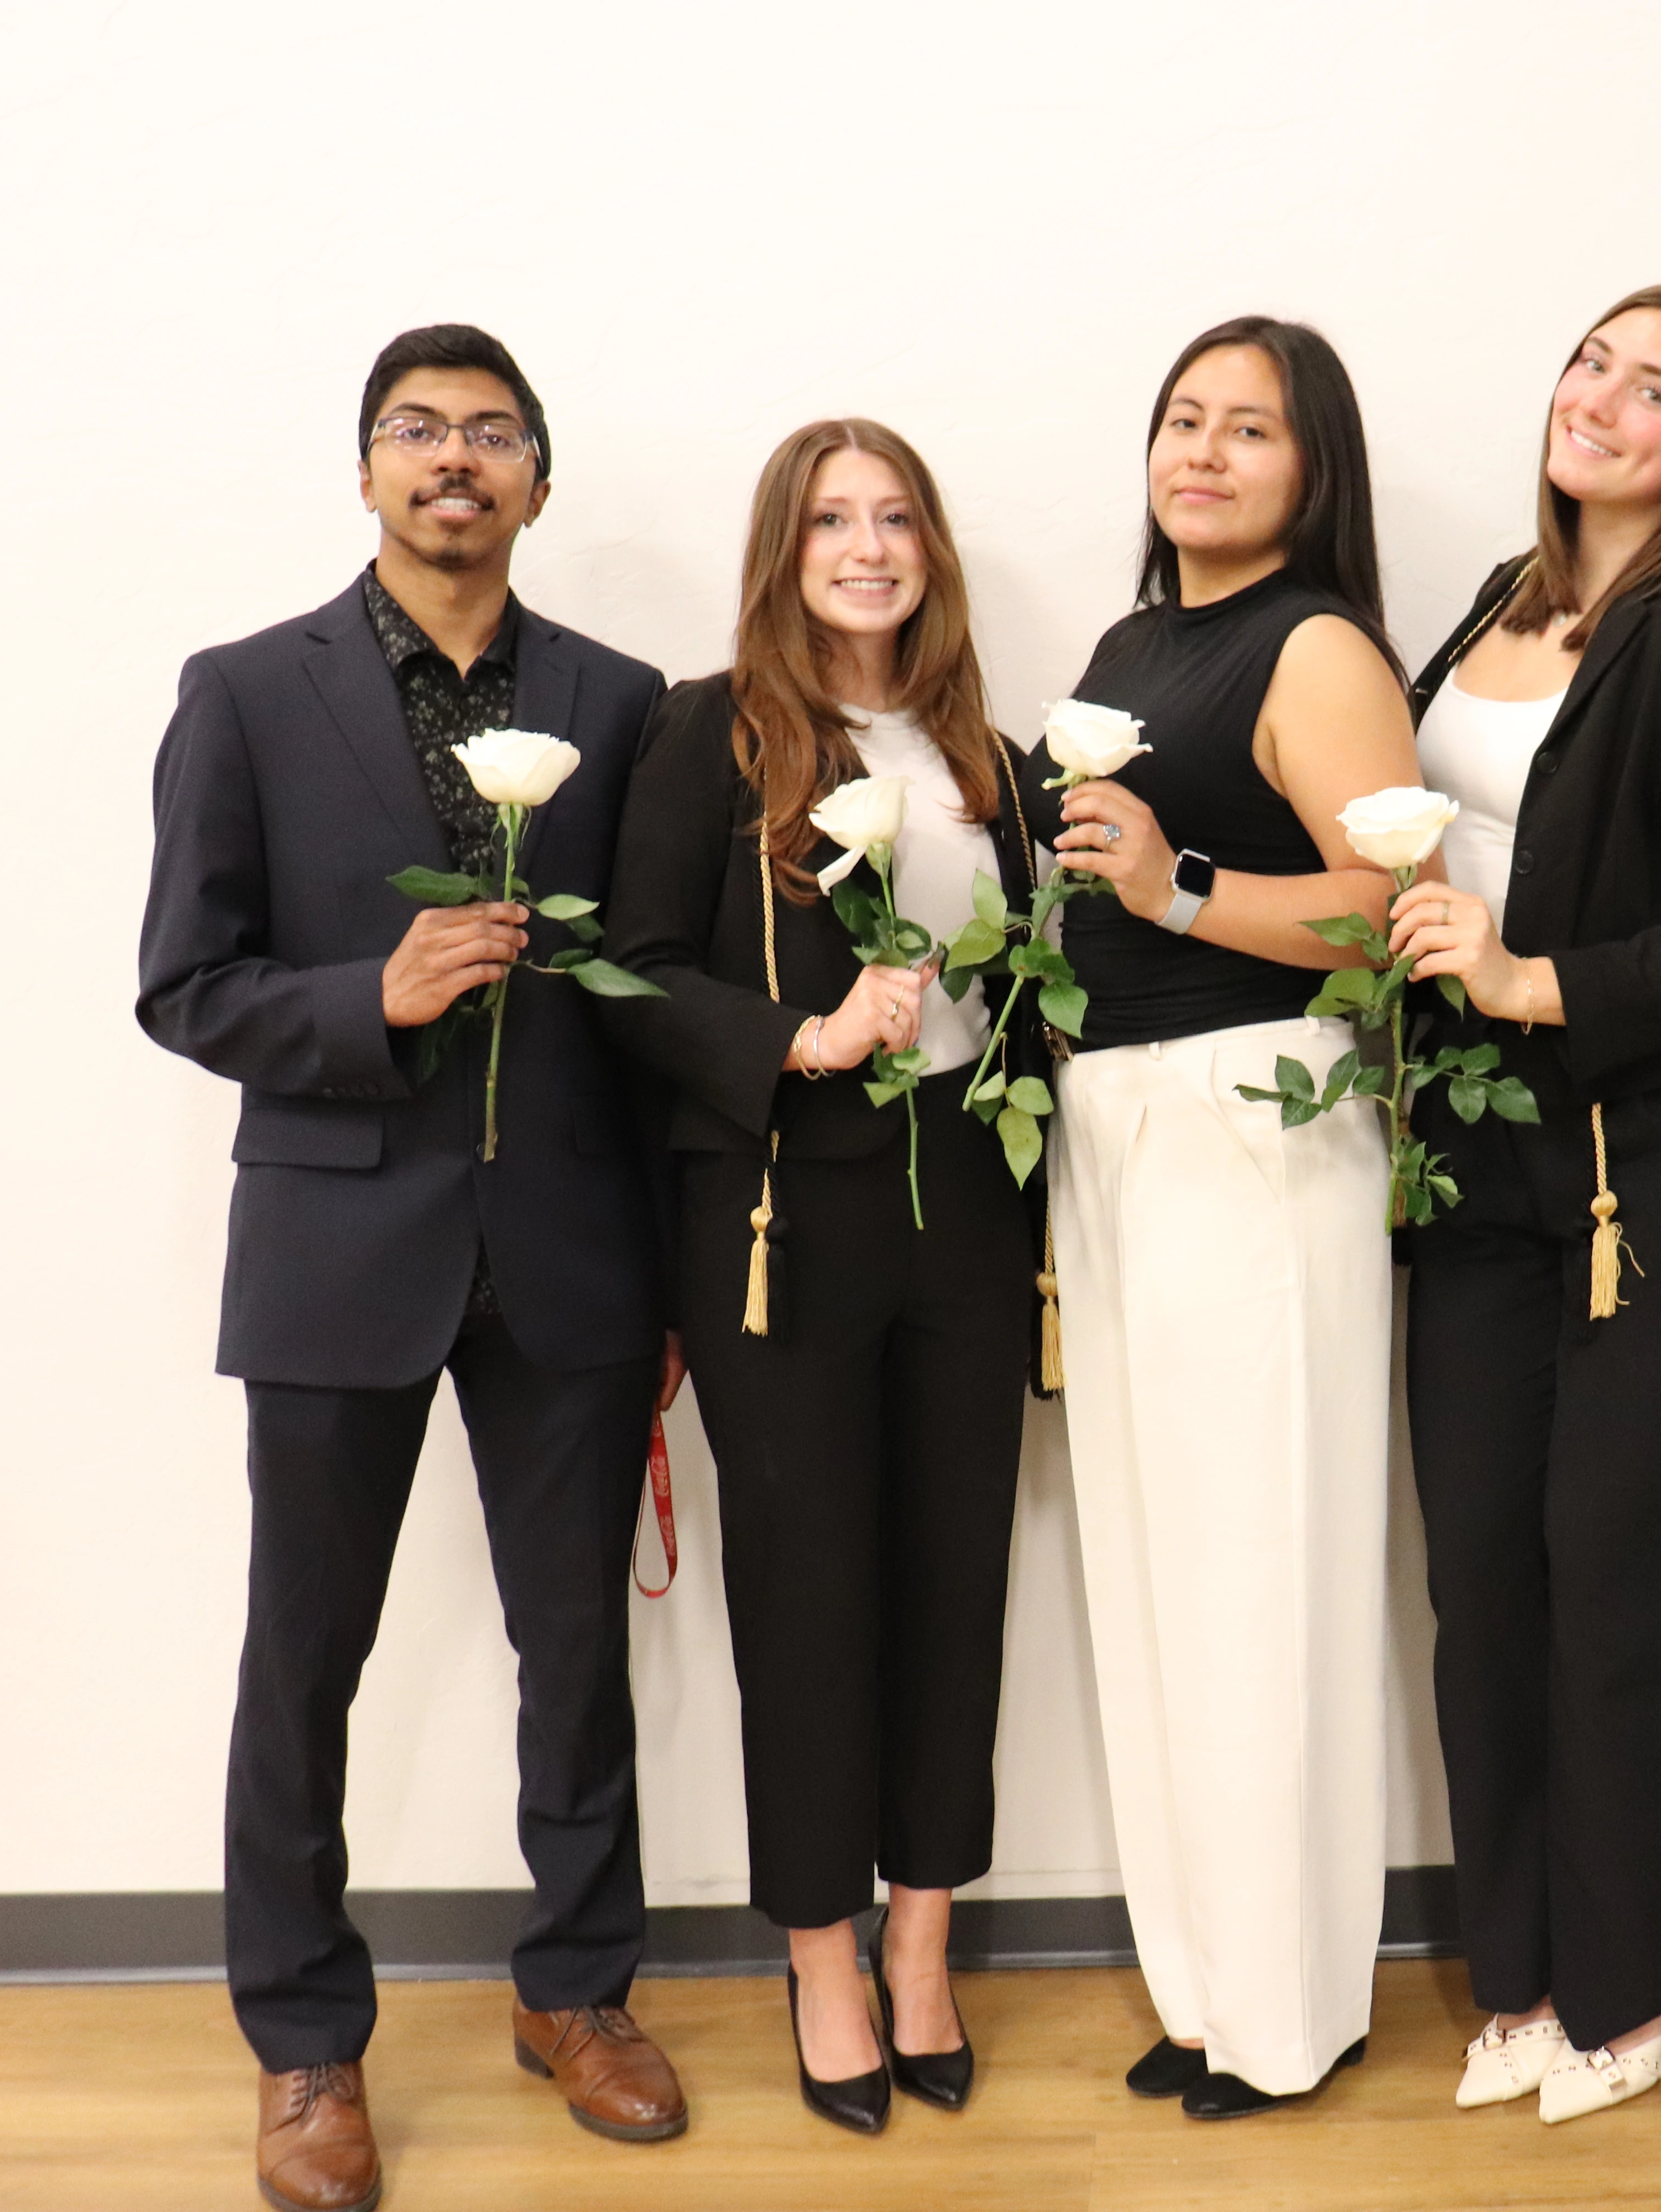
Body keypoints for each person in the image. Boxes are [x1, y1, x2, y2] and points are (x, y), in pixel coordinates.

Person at [136, 324, 684, 2212]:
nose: (456, 461)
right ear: (365, 471)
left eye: (493, 435)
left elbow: (656, 1003)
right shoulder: (241, 694)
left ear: (542, 478)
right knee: (306, 1659)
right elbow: (184, 984)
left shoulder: (627, 706)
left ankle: (580, 1994)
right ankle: (303, 2046)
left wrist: (677, 1276)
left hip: (573, 1254)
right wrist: (363, 999)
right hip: (333, 1239)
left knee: (576, 1654)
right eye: (418, 433)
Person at [597, 419, 1041, 2135]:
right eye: (832, 521)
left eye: (897, 516)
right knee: (806, 1596)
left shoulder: (986, 754)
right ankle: (824, 1961)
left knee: (955, 1581)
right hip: (780, 1226)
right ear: (784, 550)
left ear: (932, 546)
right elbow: (628, 979)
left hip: (968, 1217)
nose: (869, 547)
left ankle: (924, 1940)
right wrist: (796, 1038)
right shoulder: (709, 733)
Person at [1388, 283, 1661, 2125]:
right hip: (1477, 1165)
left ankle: (1628, 1980)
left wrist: (1526, 977)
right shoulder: (1497, 596)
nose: (1604, 404)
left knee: (1625, 1586)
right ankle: (1525, 1969)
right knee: (1485, 1582)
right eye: (1591, 366)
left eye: (1656, 391)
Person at [1026, 315, 1424, 2119]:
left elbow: (1381, 912)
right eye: (1184, 420)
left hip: (1254, 1118)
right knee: (1160, 1573)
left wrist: (1175, 884)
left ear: (1309, 466)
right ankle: (1205, 1987)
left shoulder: (1317, 641)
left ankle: (1289, 2008)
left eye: (1248, 429)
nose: (1203, 452)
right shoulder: (1133, 642)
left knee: (1262, 1567)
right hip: (1119, 1126)